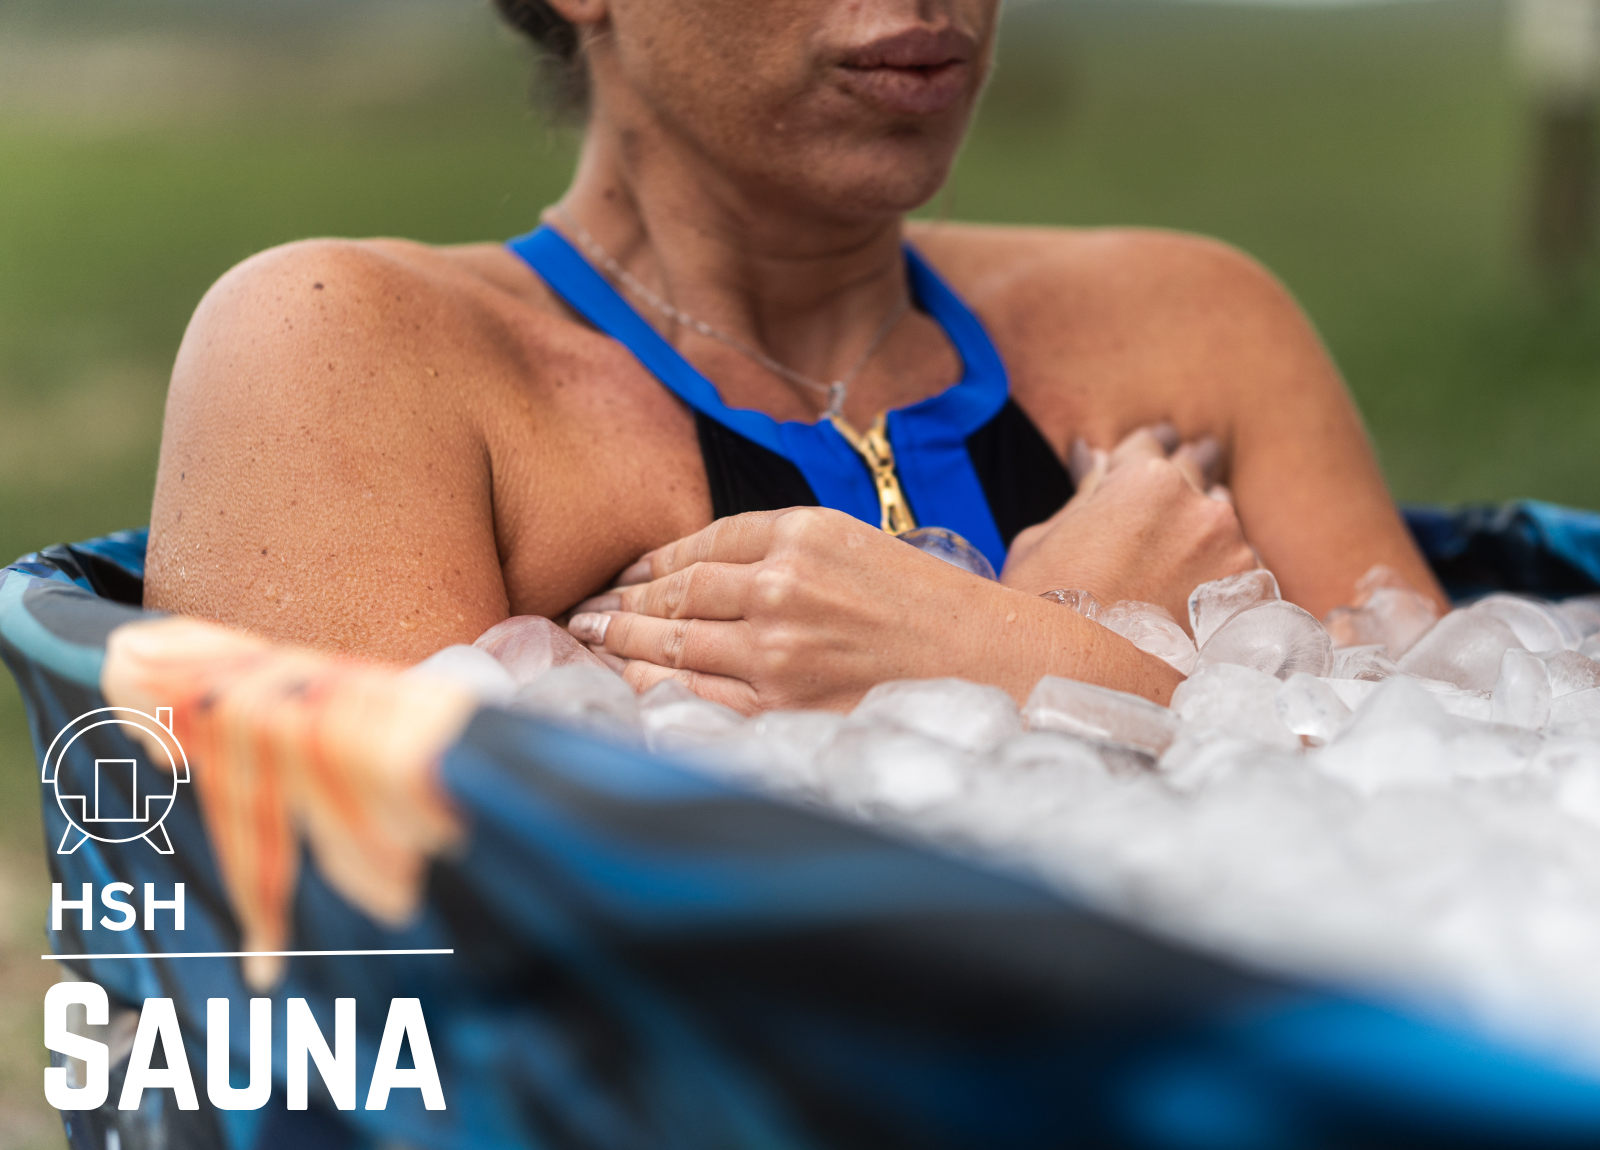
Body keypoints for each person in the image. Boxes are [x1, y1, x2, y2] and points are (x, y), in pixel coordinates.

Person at [144, 0, 1444, 712]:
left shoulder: (1194, 325)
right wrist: (1078, 655)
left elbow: (1494, 825)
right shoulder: (360, 356)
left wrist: (993, 657)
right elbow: (386, 977)